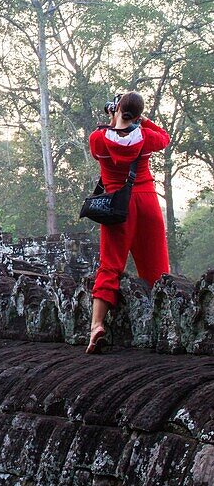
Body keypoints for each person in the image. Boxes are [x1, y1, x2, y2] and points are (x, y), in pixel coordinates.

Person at [86, 91, 170, 353]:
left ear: (117, 109)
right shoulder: (145, 138)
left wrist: (115, 121)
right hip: (147, 203)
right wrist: (140, 120)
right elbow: (164, 139)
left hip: (117, 205)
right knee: (157, 268)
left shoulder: (98, 139)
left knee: (110, 265)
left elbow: (104, 144)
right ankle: (168, 325)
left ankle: (97, 325)